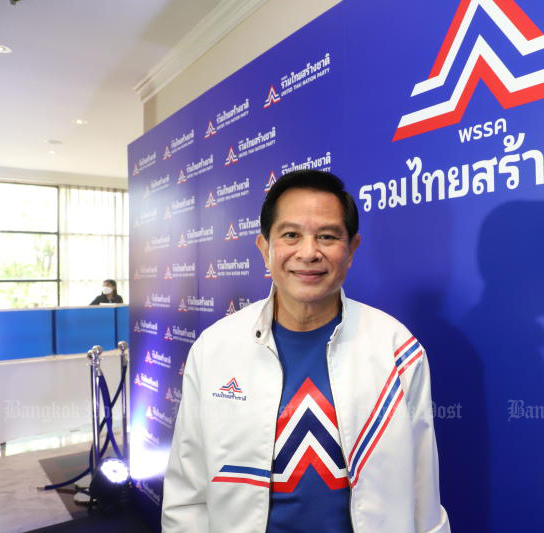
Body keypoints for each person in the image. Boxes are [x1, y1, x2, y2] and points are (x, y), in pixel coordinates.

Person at [161, 170, 450, 533]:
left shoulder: (397, 349)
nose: (309, 252)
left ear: (351, 249)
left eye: (327, 237)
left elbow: (423, 487)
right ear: (265, 247)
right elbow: (188, 492)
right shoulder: (215, 349)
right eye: (291, 235)